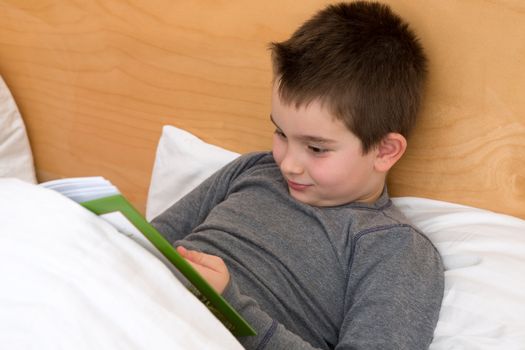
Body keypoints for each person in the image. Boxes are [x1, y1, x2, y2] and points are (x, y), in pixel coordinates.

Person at [151, 1, 444, 349]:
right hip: (135, 304)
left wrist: (230, 306)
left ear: (384, 151)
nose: (288, 163)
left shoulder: (393, 248)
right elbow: (150, 243)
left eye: (316, 148)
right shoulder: (254, 168)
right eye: (280, 134)